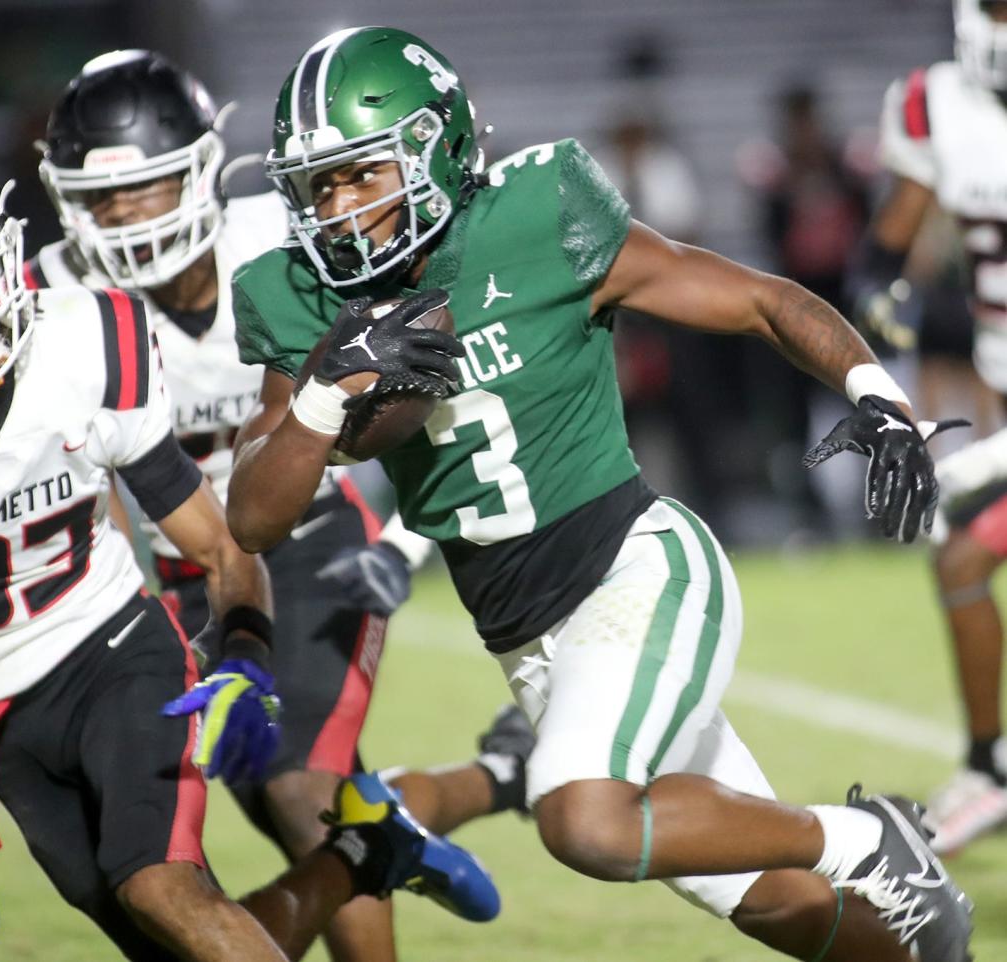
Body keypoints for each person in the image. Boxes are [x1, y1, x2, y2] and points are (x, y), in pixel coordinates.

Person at [226, 25, 974, 962]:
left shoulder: (538, 218)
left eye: (361, 174)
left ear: (437, 147)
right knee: (774, 905)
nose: (337, 210)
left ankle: (869, 839)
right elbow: (253, 514)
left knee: (584, 819)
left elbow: (756, 298)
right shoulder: (299, 295)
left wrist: (877, 393)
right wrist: (325, 393)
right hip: (523, 637)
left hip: (633, 568)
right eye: (318, 185)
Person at [0, 146, 499, 961]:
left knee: (160, 887)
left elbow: (219, 540)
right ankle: (363, 852)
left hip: (116, 646)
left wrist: (244, 654)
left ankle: (362, 848)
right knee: (172, 940)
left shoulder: (83, 340)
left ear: (1, 264)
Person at [27, 48, 533, 962]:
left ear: (200, 173)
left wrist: (412, 536)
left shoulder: (292, 234)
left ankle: (432, 807)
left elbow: (432, 352)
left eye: (145, 188)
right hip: (163, 581)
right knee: (258, 821)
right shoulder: (46, 298)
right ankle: (460, 795)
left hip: (304, 545)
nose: (122, 216)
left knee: (306, 793)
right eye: (101, 198)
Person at [846, 0, 1007, 854]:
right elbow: (889, 238)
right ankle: (990, 765)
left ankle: (989, 767)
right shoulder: (935, 104)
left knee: (959, 539)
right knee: (959, 552)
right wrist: (880, 292)